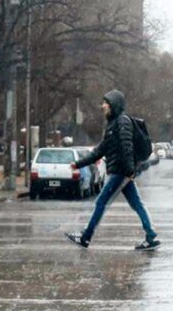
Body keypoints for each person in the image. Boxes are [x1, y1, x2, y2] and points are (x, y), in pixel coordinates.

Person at [65, 90, 160, 251]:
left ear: (113, 104)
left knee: (101, 202)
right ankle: (150, 236)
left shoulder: (122, 122)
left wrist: (130, 171)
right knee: (137, 204)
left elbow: (126, 147)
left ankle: (85, 237)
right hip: (122, 171)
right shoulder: (113, 124)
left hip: (120, 172)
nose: (102, 106)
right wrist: (78, 164)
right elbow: (99, 150)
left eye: (105, 103)